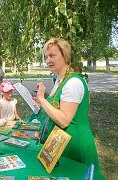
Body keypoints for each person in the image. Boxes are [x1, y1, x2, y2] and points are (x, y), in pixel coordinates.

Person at [33, 38, 101, 172]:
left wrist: (42, 98)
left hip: (75, 146)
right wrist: (43, 104)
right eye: (46, 57)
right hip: (62, 144)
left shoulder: (73, 83)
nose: (48, 61)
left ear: (65, 56)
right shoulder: (60, 80)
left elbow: (64, 120)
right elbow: (57, 108)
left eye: (52, 55)